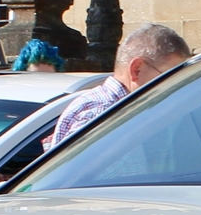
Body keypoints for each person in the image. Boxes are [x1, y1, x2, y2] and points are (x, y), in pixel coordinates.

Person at [43, 23, 192, 150]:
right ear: (137, 70)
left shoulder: (120, 110)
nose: (175, 88)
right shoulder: (104, 114)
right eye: (170, 77)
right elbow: (73, 178)